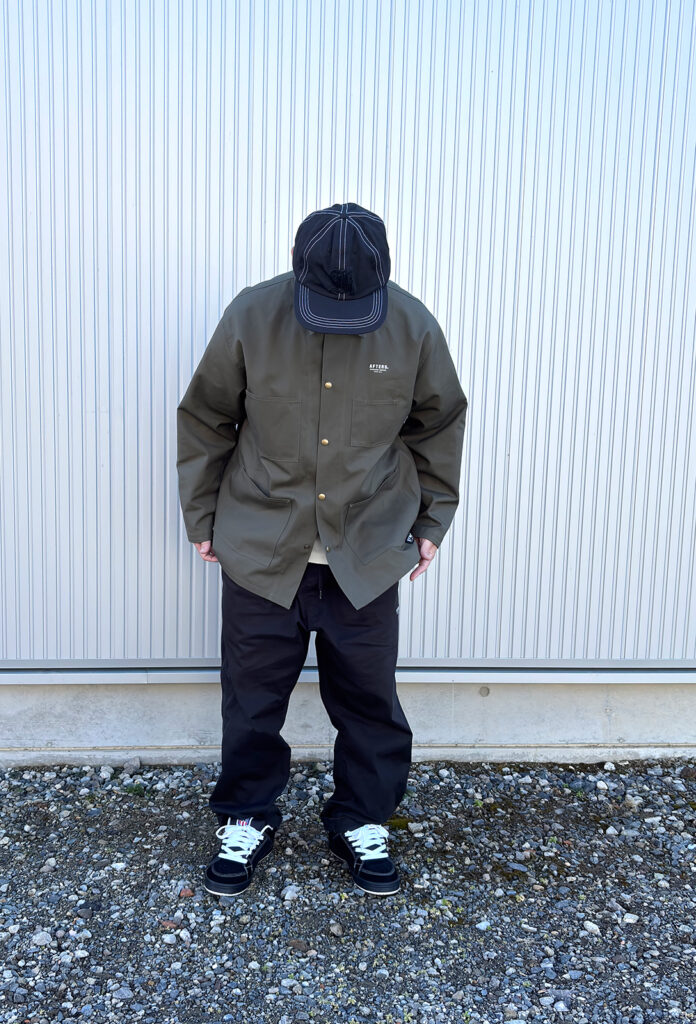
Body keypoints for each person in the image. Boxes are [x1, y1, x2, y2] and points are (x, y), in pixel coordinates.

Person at [176, 201, 467, 897]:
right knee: (252, 701)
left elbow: (438, 425)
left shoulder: (414, 326)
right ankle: (246, 816)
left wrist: (433, 520)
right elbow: (207, 418)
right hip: (261, 545)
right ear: (298, 271)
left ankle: (362, 820)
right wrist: (202, 514)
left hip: (366, 550)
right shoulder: (251, 316)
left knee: (368, 701)